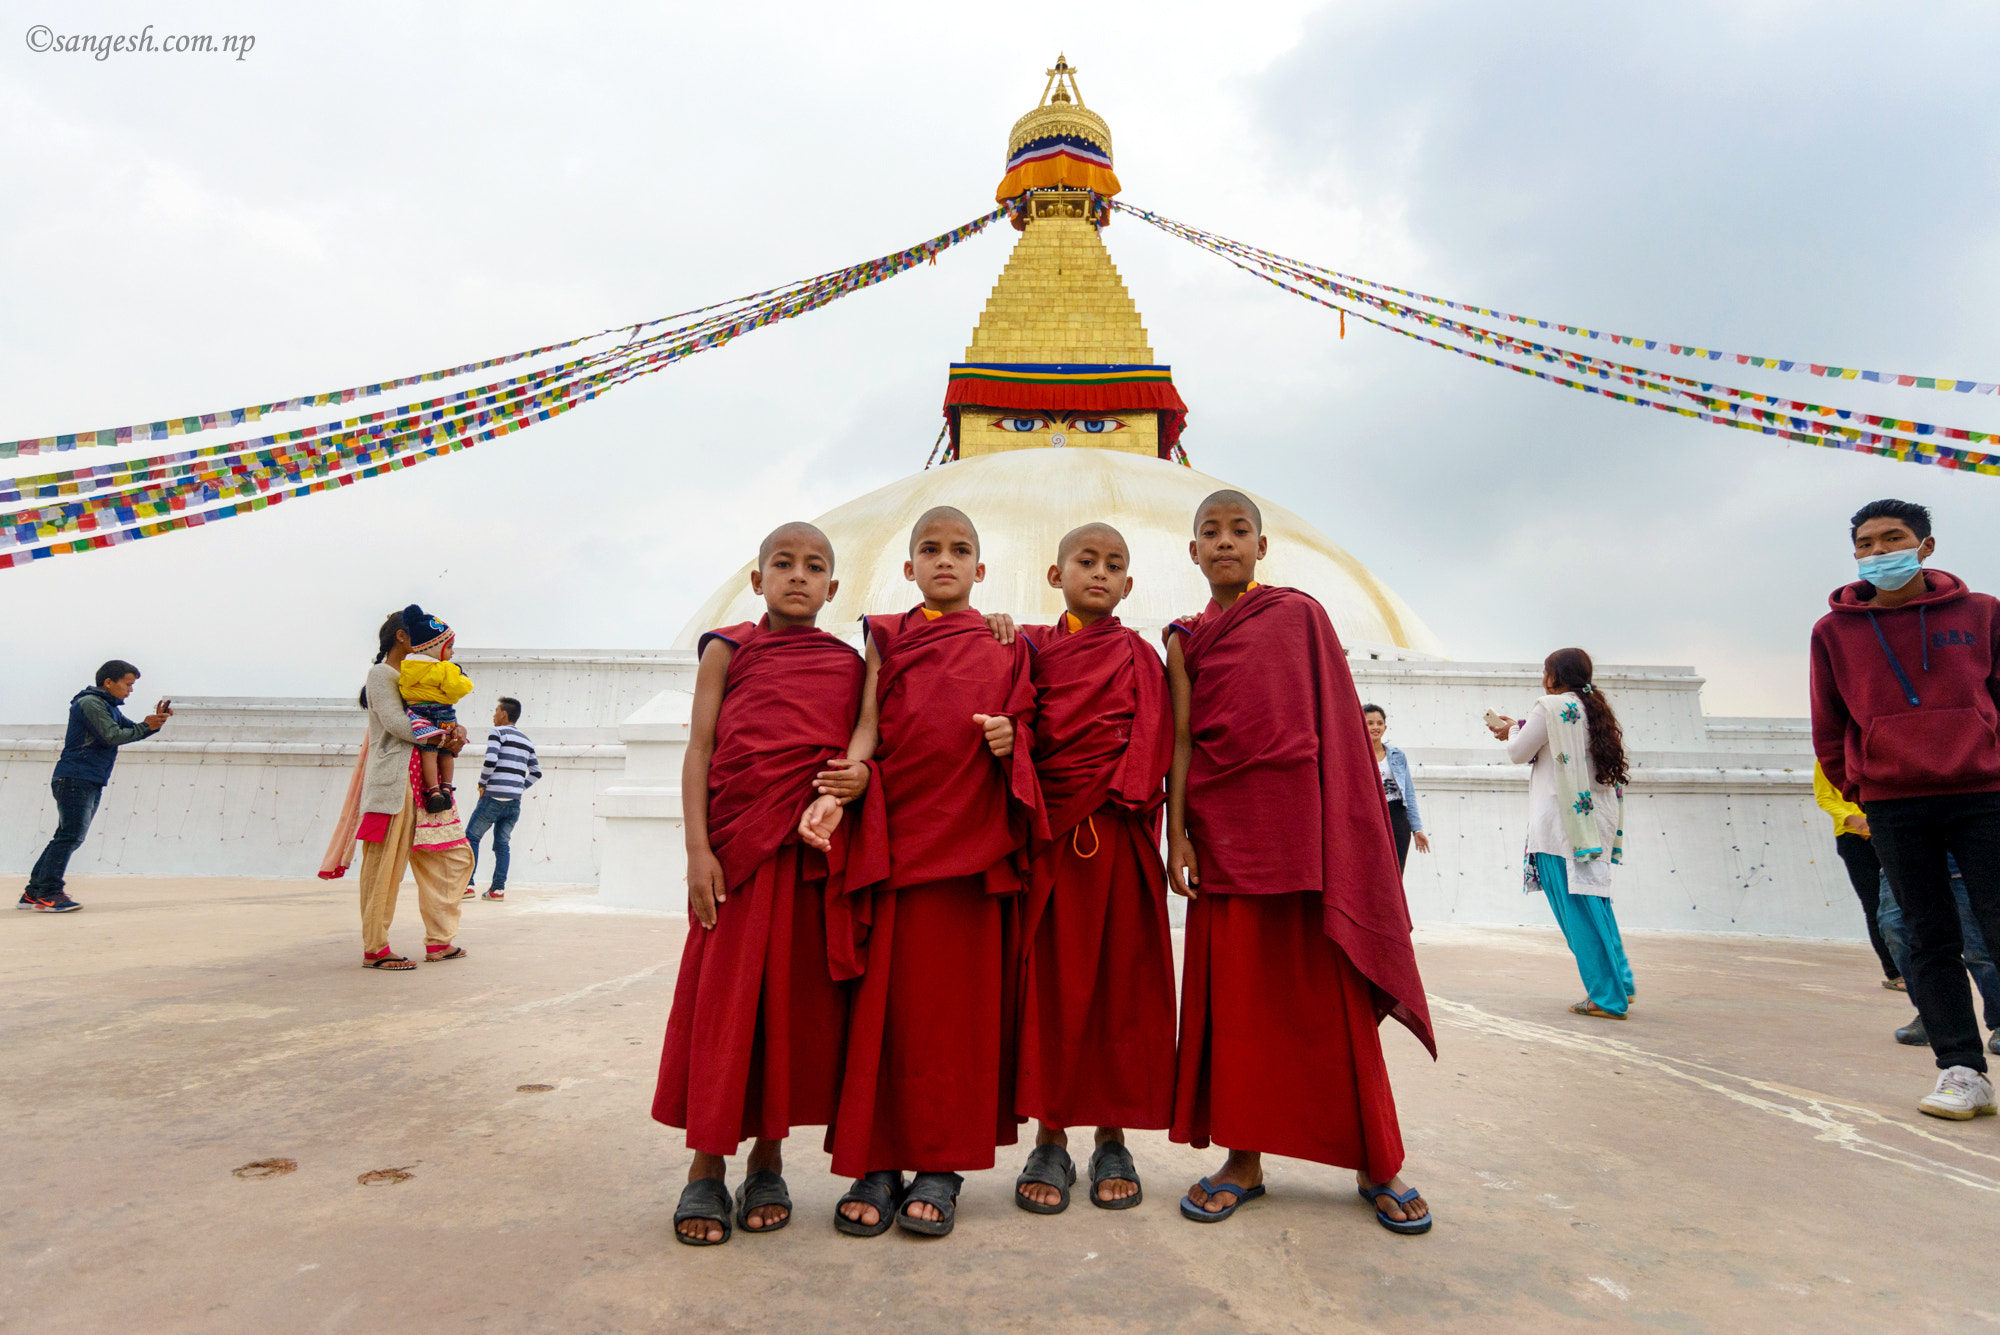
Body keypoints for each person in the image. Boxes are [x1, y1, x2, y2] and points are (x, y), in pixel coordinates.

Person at [1164, 490, 1434, 1236]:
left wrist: (1345, 833)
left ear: (1261, 546)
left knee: (1332, 1002)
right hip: (1225, 836)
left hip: (1304, 836)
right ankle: (1242, 1160)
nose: (1224, 542)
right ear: (1193, 551)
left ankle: (1376, 1161)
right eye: (1210, 533)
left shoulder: (1300, 615)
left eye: (1238, 530)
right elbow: (1183, 739)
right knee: (1238, 1007)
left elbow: (1340, 729)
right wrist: (1176, 830)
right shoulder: (1184, 638)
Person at [803, 505, 1043, 1239]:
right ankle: (877, 1158)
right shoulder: (888, 634)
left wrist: (1012, 739)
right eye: (930, 549)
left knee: (958, 1017)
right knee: (888, 1009)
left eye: (960, 549)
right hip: (898, 834)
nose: (946, 559)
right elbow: (870, 722)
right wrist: (844, 782)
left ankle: (943, 1162)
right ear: (909, 568)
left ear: (980, 568)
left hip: (969, 849)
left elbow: (1030, 724)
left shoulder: (1006, 642)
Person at [655, 523, 885, 1247]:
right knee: (726, 1010)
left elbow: (867, 743)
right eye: (782, 564)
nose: (798, 576)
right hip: (737, 856)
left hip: (811, 858)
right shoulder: (729, 648)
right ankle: (704, 1164)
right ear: (756, 580)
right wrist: (697, 850)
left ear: (833, 588)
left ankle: (768, 1159)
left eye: (814, 566)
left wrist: (857, 776)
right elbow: (699, 748)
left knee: (788, 1010)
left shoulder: (847, 663)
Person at [1810, 497, 2000, 1120]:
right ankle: (1961, 1070)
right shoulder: (1832, 632)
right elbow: (1829, 722)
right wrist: (1863, 789)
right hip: (1894, 802)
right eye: (1865, 543)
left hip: (1984, 794)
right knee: (1928, 937)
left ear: (1925, 547)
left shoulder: (1982, 613)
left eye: (1892, 539)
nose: (1878, 552)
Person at [1009, 523, 1176, 1215]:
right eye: (1086, 561)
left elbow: (1158, 737)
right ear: (1056, 576)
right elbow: (1016, 722)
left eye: (1114, 565)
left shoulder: (1140, 654)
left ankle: (1112, 1137)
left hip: (1118, 837)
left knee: (1119, 986)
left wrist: (1123, 793)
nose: (1099, 573)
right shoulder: (1029, 647)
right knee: (1051, 989)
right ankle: (1050, 1135)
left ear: (1129, 584)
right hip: (1050, 841)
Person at [317, 612, 474, 969]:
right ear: (403, 637)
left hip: (426, 784)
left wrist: (456, 729)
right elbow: (398, 723)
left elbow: (439, 713)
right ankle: (376, 948)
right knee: (383, 869)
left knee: (449, 858)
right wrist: (443, 734)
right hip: (395, 784)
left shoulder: (420, 676)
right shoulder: (382, 675)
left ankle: (439, 941)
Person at [1488, 650, 1634, 1021]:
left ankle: (1606, 997)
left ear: (1555, 675)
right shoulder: (1593, 707)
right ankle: (1621, 985)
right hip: (1592, 822)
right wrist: (1521, 725)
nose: (1542, 677)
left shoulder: (1549, 707)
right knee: (1595, 905)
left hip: (1559, 826)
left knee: (1578, 915)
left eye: (1545, 670)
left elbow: (1519, 753)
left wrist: (1514, 730)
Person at [18, 661, 172, 912]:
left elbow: (129, 730)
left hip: (86, 778)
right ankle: (49, 892)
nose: (131, 690)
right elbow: (112, 736)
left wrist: (154, 723)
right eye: (128, 684)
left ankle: (33, 893)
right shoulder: (90, 703)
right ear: (108, 682)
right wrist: (146, 726)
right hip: (75, 777)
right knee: (70, 836)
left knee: (67, 835)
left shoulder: (106, 706)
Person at [1875, 858, 2000, 1053]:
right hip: (1902, 851)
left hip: (1955, 850)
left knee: (1976, 945)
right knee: (1896, 930)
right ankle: (1933, 1016)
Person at [1813, 760, 1900, 988]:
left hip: (1889, 831)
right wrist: (1852, 819)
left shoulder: (1874, 754)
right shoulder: (1827, 760)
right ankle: (1894, 972)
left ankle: (1917, 968)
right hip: (1853, 837)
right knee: (1874, 905)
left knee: (1906, 901)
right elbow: (1825, 798)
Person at [397, 605, 473, 813]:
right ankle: (447, 787)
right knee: (447, 749)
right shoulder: (444, 668)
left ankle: (433, 791)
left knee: (428, 752)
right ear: (434, 647)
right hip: (443, 713)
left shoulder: (407, 667)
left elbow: (404, 692)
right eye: (449, 647)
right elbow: (458, 690)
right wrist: (462, 676)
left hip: (418, 715)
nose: (452, 652)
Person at [465, 697, 540, 901]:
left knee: (471, 837)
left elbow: (490, 760)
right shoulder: (526, 740)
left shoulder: (497, 732)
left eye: (496, 710)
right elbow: (536, 772)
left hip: (493, 797)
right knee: (502, 844)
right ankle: (497, 890)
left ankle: (467, 885)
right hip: (514, 802)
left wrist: (482, 784)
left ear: (504, 714)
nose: (494, 714)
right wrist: (517, 788)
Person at [1364, 704, 1430, 872]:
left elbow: (1408, 793)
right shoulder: (1355, 756)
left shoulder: (1397, 756)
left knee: (1395, 870)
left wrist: (1417, 828)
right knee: (1371, 869)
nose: (1375, 727)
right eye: (1370, 723)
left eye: (1379, 723)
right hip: (1369, 816)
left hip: (1397, 816)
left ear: (1385, 727)